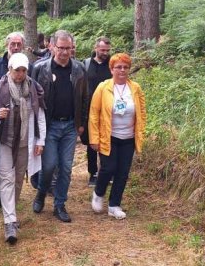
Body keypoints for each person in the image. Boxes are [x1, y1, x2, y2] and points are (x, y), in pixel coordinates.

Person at [0, 53, 46, 244]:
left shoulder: (33, 88)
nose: (20, 74)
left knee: (18, 180)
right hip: (5, 142)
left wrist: (40, 141)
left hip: (26, 142)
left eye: (23, 70)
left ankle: (12, 211)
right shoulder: (0, 88)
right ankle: (10, 222)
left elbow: (40, 115)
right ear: (10, 69)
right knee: (7, 180)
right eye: (17, 70)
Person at [30, 30, 87, 223]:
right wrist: (35, 127)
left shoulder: (79, 69)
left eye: (67, 48)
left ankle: (59, 204)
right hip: (49, 125)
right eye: (60, 48)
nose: (64, 52)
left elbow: (85, 98)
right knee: (48, 166)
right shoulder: (40, 68)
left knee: (66, 167)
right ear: (52, 47)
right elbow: (33, 99)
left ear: (72, 49)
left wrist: (82, 123)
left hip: (70, 125)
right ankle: (41, 193)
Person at [88, 53, 146, 220]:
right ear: (111, 69)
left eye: (125, 67)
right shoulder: (103, 87)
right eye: (118, 67)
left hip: (128, 138)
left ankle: (114, 205)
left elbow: (142, 111)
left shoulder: (135, 88)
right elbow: (94, 113)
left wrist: (140, 132)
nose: (122, 70)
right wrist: (94, 138)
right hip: (109, 136)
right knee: (108, 168)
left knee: (122, 172)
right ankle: (98, 193)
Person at [0, 32, 33, 207]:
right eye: (13, 44)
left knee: (14, 165)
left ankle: (9, 197)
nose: (16, 47)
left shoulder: (26, 66)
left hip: (19, 125)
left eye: (19, 44)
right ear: (6, 45)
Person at [81, 37, 112, 187]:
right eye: (102, 50)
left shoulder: (112, 64)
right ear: (96, 48)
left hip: (108, 109)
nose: (105, 53)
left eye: (107, 50)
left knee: (108, 139)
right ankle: (92, 173)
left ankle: (106, 171)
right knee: (91, 142)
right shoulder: (86, 64)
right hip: (89, 109)